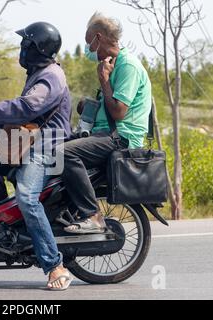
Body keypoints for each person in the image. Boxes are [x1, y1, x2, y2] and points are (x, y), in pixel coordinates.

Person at [0, 22, 73, 290]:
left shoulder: (51, 77)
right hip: (26, 143)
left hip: (45, 149)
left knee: (27, 197)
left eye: (26, 44)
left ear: (38, 49)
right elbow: (22, 115)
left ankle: (55, 265)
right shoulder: (36, 73)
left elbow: (27, 108)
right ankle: (6, 227)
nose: (22, 49)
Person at [61, 12, 152, 234]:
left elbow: (119, 112)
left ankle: (93, 215)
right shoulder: (113, 63)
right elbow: (110, 106)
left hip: (121, 138)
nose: (87, 49)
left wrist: (103, 80)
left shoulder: (128, 66)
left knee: (63, 153)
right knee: (47, 146)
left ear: (98, 38)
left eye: (88, 42)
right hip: (105, 134)